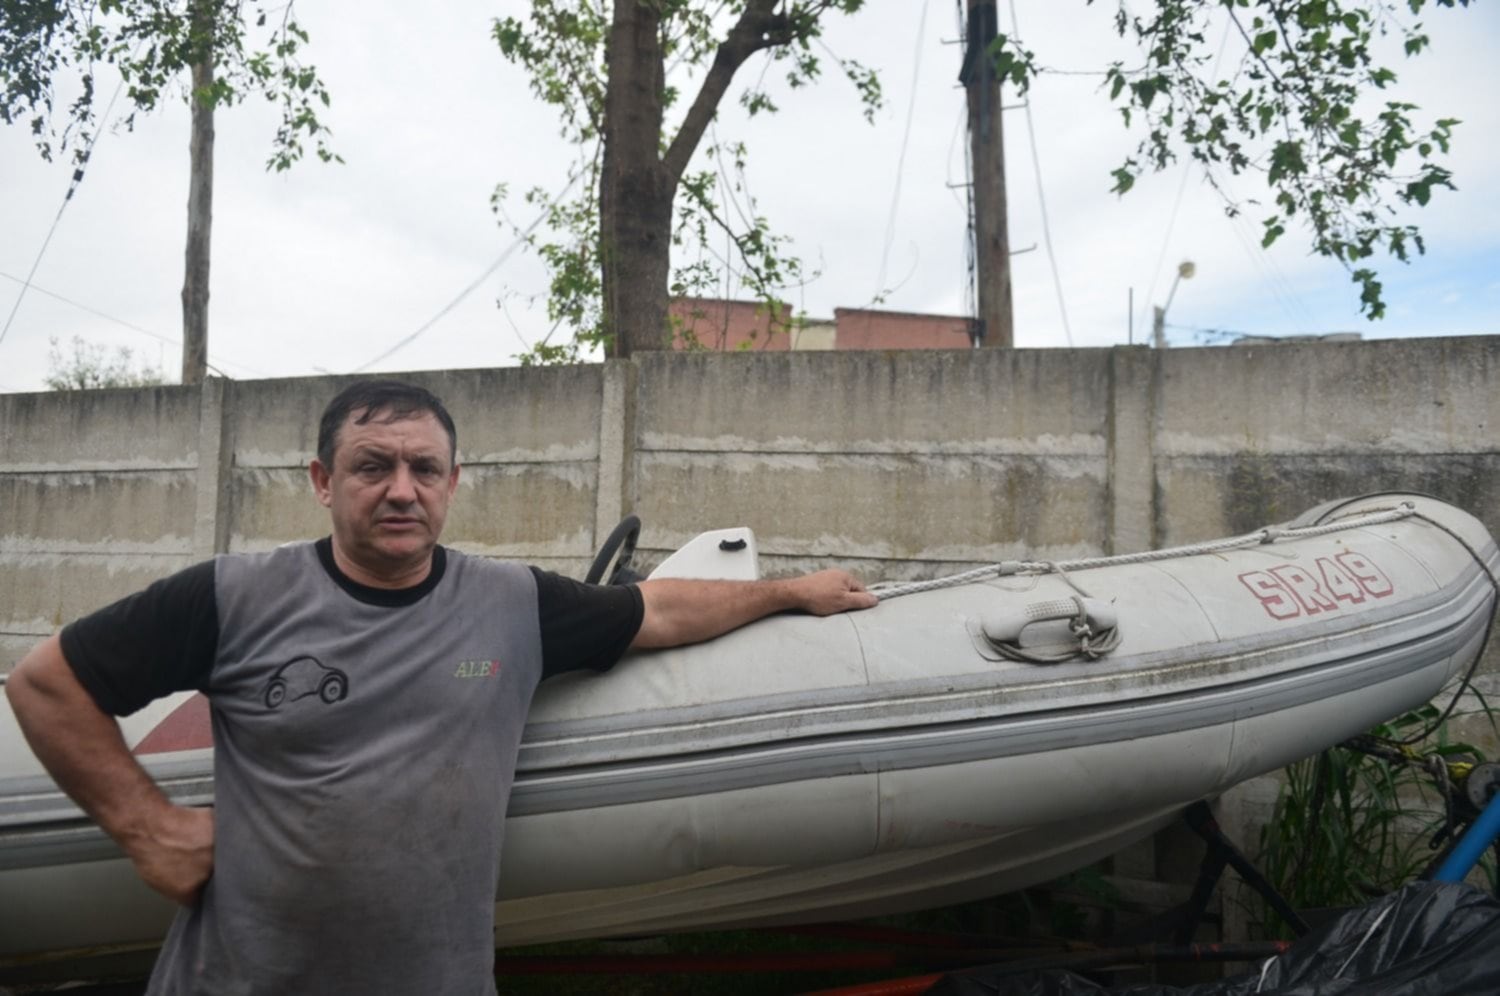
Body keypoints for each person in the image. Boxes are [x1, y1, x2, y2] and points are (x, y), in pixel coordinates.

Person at [5, 379, 877, 995]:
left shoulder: (511, 605)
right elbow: (46, 683)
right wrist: (148, 826)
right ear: (322, 481)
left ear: (453, 485)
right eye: (371, 466)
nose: (400, 490)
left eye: (424, 469)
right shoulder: (233, 597)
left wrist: (789, 592)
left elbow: (654, 610)